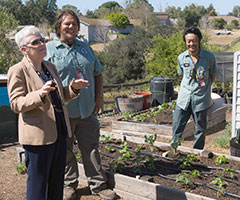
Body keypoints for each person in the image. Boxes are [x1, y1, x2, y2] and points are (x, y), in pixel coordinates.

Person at [7, 25, 89, 200]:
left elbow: (59, 97)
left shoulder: (49, 67)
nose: (42, 43)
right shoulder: (17, 71)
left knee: (56, 184)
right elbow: (15, 104)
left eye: (42, 39)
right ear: (24, 49)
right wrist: (39, 94)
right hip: (38, 137)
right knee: (38, 186)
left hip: (59, 132)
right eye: (36, 42)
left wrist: (73, 89)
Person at [45, 10, 117, 200]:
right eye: (67, 24)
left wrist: (98, 99)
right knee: (65, 150)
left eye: (75, 24)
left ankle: (98, 186)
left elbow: (97, 73)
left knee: (91, 148)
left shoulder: (86, 48)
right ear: (58, 27)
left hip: (87, 110)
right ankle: (69, 186)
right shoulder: (49, 49)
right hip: (63, 111)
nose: (71, 27)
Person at [171, 26, 216, 150]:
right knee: (177, 127)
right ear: (185, 42)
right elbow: (182, 75)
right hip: (184, 99)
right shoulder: (181, 58)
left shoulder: (209, 57)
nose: (191, 44)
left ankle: (196, 154)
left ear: (199, 40)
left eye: (194, 40)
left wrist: (205, 89)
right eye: (189, 41)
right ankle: (175, 151)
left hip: (201, 99)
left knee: (200, 129)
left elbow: (212, 75)